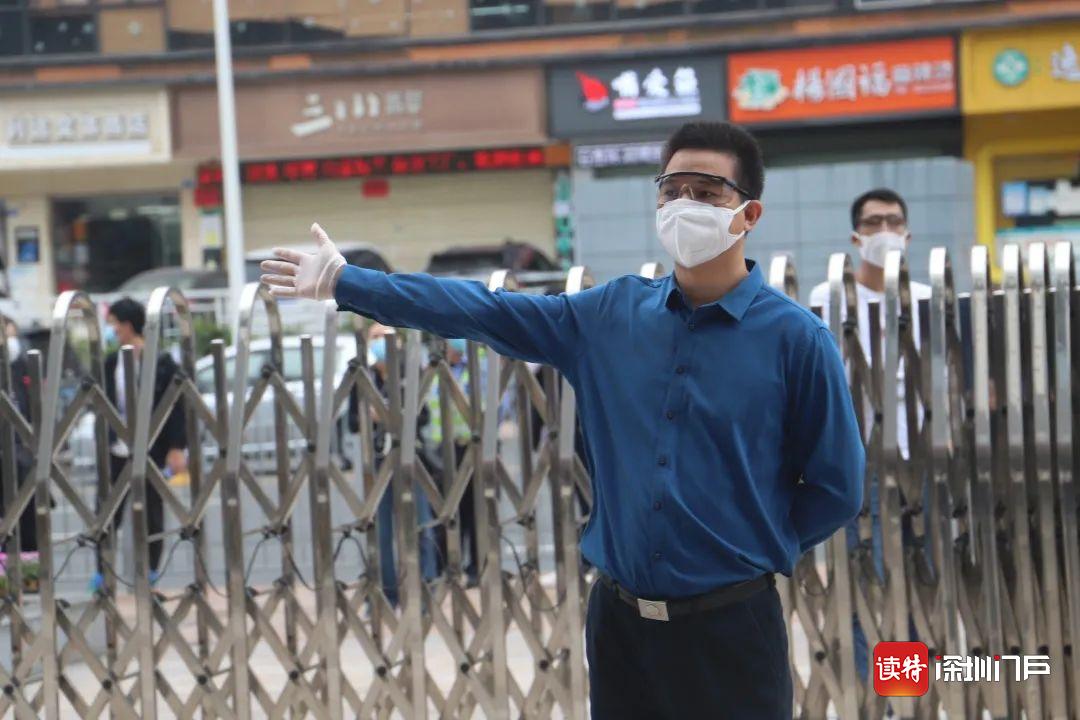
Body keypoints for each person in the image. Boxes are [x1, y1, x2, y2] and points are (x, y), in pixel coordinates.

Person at [262, 120, 864, 719]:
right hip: (621, 629)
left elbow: (836, 489)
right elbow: (483, 311)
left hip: (732, 630)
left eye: (706, 193)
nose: (684, 205)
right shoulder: (609, 316)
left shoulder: (795, 340)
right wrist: (347, 282)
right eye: (671, 190)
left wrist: (751, 545)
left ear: (748, 214)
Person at [808, 188, 932, 681]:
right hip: (858, 466)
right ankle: (878, 697)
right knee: (867, 582)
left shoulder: (925, 298)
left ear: (908, 233)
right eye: (873, 222)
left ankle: (914, 693)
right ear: (855, 237)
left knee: (922, 583)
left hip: (921, 463)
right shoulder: (829, 299)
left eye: (893, 221)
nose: (885, 231)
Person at [92, 298, 187, 591]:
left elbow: (177, 407)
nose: (112, 331)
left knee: (152, 514)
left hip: (151, 449)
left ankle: (150, 573)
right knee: (107, 513)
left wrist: (176, 447)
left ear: (128, 325)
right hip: (117, 449)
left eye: (115, 325)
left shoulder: (161, 362)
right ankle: (103, 574)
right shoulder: (111, 363)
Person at [346, 323, 439, 606]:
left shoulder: (409, 372)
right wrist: (370, 416)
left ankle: (426, 591)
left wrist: (397, 414)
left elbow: (424, 416)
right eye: (375, 338)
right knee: (381, 531)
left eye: (386, 337)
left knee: (421, 525)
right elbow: (352, 422)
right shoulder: (362, 376)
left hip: (411, 459)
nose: (381, 343)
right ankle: (386, 595)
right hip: (378, 461)